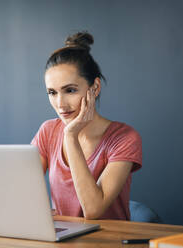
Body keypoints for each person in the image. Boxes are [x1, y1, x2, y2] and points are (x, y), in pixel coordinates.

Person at [31, 31, 142, 220]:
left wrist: (70, 136)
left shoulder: (125, 138)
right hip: (62, 239)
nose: (60, 104)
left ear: (95, 88)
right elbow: (22, 188)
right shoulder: (47, 131)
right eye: (52, 92)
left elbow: (93, 210)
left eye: (70, 90)